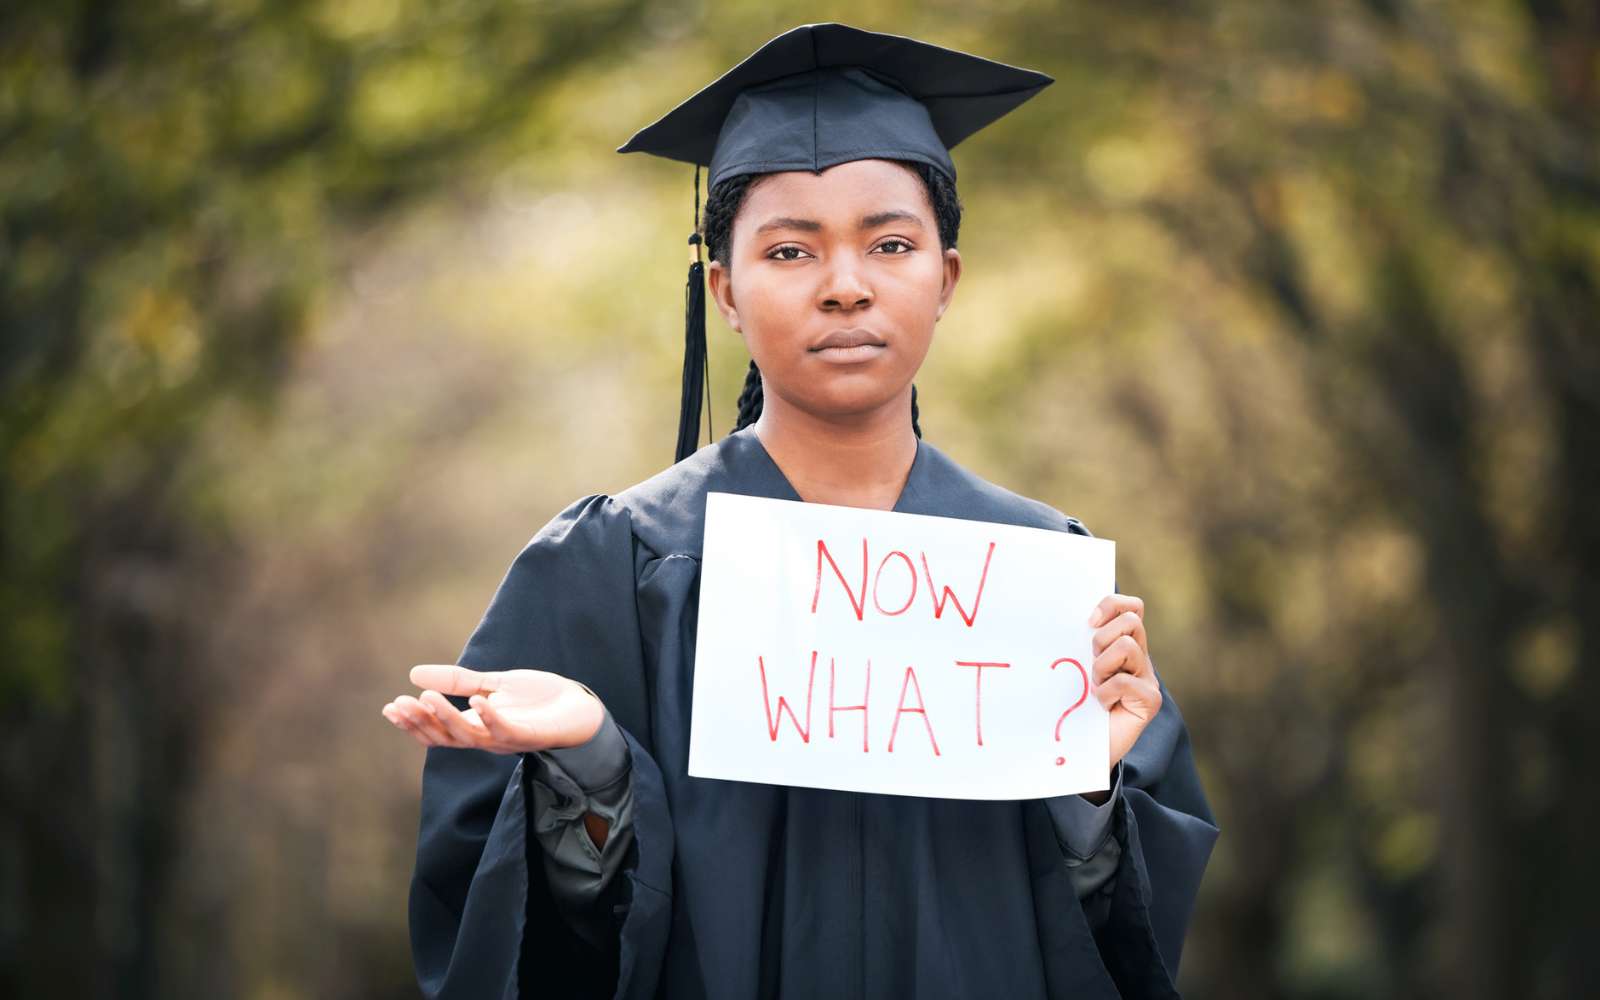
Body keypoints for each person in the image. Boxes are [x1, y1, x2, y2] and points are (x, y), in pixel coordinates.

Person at [382, 22, 1218, 1000]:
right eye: (790, 251)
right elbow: (503, 931)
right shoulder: (611, 567)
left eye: (891, 243)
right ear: (725, 292)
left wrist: (1086, 783)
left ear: (945, 278)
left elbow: (1126, 941)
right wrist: (596, 770)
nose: (846, 287)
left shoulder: (1041, 582)